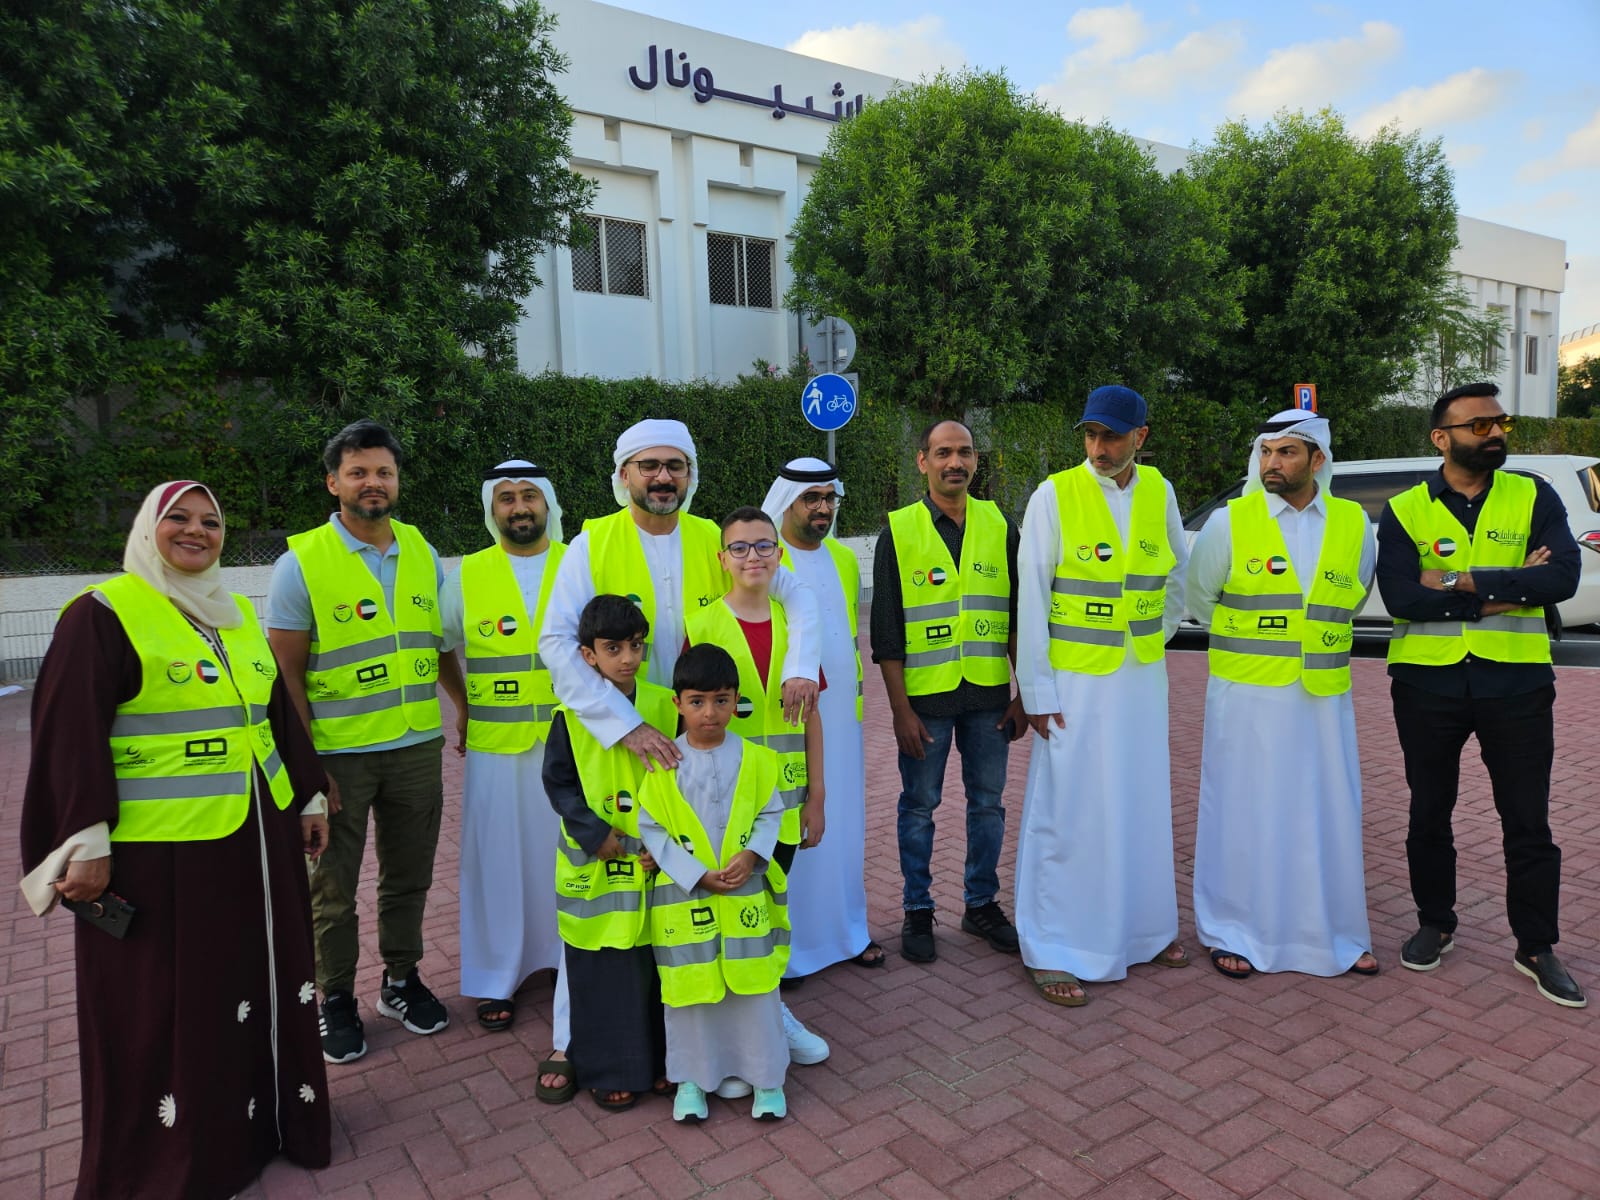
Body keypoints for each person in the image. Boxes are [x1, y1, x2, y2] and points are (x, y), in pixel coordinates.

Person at [20, 481, 332, 1199]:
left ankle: (266, 1128)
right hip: (160, 859)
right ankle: (178, 1162)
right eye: (179, 520)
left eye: (212, 521)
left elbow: (273, 718)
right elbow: (69, 732)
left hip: (255, 848)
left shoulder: (236, 615)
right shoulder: (103, 615)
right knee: (170, 1005)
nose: (197, 532)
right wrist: (85, 839)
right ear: (147, 529)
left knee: (255, 986)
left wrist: (308, 794)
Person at [540, 417, 827, 1065]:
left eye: (675, 465)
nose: (663, 476)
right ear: (624, 477)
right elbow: (556, 642)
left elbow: (797, 593)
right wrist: (625, 724)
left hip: (708, 745)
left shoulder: (715, 539)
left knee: (709, 890)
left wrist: (803, 661)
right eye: (649, 465)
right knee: (622, 898)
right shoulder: (591, 543)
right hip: (626, 740)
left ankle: (734, 1031)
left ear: (690, 475)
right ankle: (573, 1036)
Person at [1377, 381, 1585, 1007]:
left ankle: (1536, 945)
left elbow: (1564, 576)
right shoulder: (1406, 507)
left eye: (1500, 423)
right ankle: (1435, 922)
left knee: (1527, 820)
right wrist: (1511, 584)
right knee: (1428, 812)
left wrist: (1460, 579)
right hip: (1426, 682)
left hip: (1516, 683)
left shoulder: (1533, 494)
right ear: (1441, 438)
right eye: (1478, 426)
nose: (1494, 434)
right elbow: (1402, 596)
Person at [266, 419, 465, 1063]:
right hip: (339, 757)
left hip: (414, 747)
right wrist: (307, 767)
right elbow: (286, 675)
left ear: (397, 481)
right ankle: (335, 998)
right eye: (358, 472)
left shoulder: (422, 552)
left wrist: (461, 705)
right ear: (334, 483)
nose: (372, 482)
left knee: (408, 877)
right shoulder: (300, 564)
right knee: (332, 886)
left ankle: (400, 981)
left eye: (383, 471)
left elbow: (435, 647)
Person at [1186, 410, 1379, 979]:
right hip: (1245, 700)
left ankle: (1336, 934)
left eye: (1287, 452)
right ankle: (1232, 931)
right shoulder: (1230, 522)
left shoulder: (1353, 524)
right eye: (1267, 452)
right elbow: (1199, 599)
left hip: (1321, 697)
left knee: (1326, 811)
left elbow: (1358, 590)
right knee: (1242, 811)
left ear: (1318, 460)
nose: (1273, 463)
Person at [1014, 386, 1190, 1005]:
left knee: (1140, 801)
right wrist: (1035, 689)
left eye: (1112, 436)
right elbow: (1030, 595)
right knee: (1070, 809)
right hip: (1074, 685)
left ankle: (1144, 931)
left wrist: (1152, 634)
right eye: (1090, 434)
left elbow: (1177, 574)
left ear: (1140, 437)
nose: (1099, 447)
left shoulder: (1160, 491)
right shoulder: (1054, 494)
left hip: (1140, 678)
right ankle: (1053, 946)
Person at [872, 419, 1026, 964]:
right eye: (942, 453)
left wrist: (1022, 692)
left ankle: (981, 904)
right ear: (922, 462)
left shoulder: (1000, 524)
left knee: (989, 806)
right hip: (925, 703)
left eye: (963, 452)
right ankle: (917, 910)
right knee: (919, 806)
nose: (953, 462)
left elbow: (1016, 617)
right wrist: (899, 711)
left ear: (975, 462)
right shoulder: (898, 530)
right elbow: (886, 629)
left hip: (988, 696)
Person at [684, 507, 829, 1075]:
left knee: (767, 914)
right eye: (739, 548)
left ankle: (772, 1015)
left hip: (787, 804)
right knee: (727, 912)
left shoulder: (797, 624)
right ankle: (733, 1025)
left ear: (779, 555)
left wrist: (818, 795)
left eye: (763, 547)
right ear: (722, 559)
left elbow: (813, 717)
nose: (752, 557)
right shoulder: (702, 623)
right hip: (724, 803)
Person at [436, 461, 565, 1034]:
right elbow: (443, 646)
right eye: (507, 498)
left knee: (567, 852)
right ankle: (496, 977)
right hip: (496, 744)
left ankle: (572, 961)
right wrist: (462, 705)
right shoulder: (465, 575)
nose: (519, 507)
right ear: (492, 510)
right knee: (497, 858)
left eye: (529, 497)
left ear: (548, 506)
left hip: (569, 741)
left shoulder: (576, 564)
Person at [637, 644, 791, 1123]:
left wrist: (752, 855)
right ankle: (691, 1081)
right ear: (678, 703)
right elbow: (652, 829)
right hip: (687, 904)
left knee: (754, 992)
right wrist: (695, 874)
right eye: (698, 701)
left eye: (722, 700)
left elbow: (771, 813)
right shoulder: (663, 765)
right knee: (689, 995)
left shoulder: (758, 760)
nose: (711, 713)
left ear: (737, 700)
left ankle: (765, 1080)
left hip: (744, 898)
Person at [542, 594, 674, 1110]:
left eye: (636, 646)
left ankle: (660, 1064)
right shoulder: (570, 714)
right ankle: (607, 1067)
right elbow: (559, 783)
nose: (626, 657)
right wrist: (594, 835)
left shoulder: (665, 705)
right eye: (612, 647)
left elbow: (685, 780)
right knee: (602, 972)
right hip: (597, 864)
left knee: (654, 967)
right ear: (588, 656)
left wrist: (666, 847)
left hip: (652, 862)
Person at [762, 459, 880, 973]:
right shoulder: (766, 560)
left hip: (843, 718)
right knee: (794, 826)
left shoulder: (844, 558)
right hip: (788, 719)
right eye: (812, 498)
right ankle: (791, 951)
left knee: (845, 827)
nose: (823, 508)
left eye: (830, 498)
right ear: (786, 503)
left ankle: (848, 932)